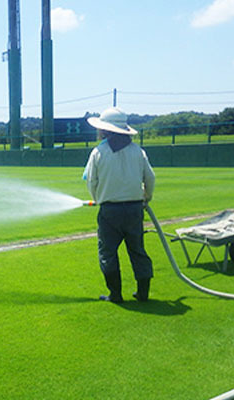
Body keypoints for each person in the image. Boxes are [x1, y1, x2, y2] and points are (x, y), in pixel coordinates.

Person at [83, 107, 155, 303]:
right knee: (137, 251)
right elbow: (150, 178)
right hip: (134, 210)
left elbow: (91, 182)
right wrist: (145, 198)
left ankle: (115, 295)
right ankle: (143, 294)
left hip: (109, 211)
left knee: (107, 253)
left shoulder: (98, 152)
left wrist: (98, 198)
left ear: (106, 130)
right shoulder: (138, 151)